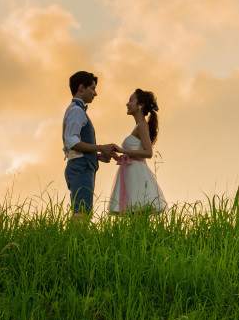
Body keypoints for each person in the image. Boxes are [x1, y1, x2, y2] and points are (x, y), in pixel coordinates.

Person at [62, 71, 118, 220]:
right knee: (82, 212)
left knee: (83, 210)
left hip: (82, 164)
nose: (95, 93)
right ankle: (76, 243)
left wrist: (96, 156)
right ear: (82, 87)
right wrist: (100, 147)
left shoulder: (77, 110)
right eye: (92, 88)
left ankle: (77, 242)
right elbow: (71, 141)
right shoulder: (76, 110)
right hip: (80, 166)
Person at [108, 88, 167, 214]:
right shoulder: (139, 126)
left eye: (130, 101)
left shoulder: (141, 126)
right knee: (134, 216)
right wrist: (117, 156)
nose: (127, 104)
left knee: (138, 213)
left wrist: (123, 150)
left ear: (140, 105)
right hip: (131, 171)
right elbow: (134, 155)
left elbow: (148, 153)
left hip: (137, 174)